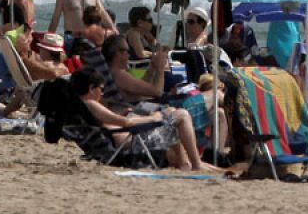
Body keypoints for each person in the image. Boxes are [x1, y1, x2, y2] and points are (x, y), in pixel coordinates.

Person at [70, 70, 219, 172]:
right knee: (182, 115)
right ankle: (196, 164)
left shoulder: (82, 107)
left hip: (131, 138)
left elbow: (116, 122)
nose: (102, 94)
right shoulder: (90, 104)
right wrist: (154, 117)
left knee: (173, 115)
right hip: (132, 142)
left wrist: (141, 116)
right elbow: (125, 123)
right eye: (101, 89)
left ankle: (190, 164)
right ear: (91, 88)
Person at [103, 34, 169, 108]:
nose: (129, 55)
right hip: (137, 112)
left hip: (138, 107)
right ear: (118, 54)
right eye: (127, 51)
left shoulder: (113, 72)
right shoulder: (119, 75)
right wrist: (160, 69)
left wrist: (152, 67)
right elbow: (158, 92)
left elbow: (142, 87)